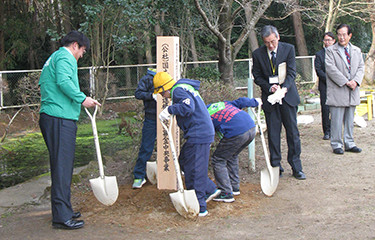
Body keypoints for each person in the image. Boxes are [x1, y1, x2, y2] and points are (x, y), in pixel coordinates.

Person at [39, 31, 101, 230]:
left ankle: (64, 209)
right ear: (75, 45)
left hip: (56, 116)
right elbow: (64, 82)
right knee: (62, 168)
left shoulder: (55, 57)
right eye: (82, 50)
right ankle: (61, 217)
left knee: (62, 166)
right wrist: (83, 99)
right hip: (58, 118)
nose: (82, 55)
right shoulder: (65, 57)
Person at [154, 72, 220, 217]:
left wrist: (170, 109)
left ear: (165, 88)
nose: (162, 96)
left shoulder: (177, 91)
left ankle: (200, 206)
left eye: (160, 93)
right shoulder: (183, 87)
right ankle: (210, 188)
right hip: (199, 132)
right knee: (184, 161)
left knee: (194, 170)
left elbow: (187, 108)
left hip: (199, 133)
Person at [252, 25, 305, 180]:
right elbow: (257, 76)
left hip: (287, 97)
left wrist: (284, 88)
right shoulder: (258, 54)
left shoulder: (288, 49)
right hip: (270, 99)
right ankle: (276, 166)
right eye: (267, 42)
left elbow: (292, 72)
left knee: (293, 133)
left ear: (278, 37)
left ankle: (296, 167)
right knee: (273, 134)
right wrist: (270, 87)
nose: (270, 45)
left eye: (273, 41)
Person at [207, 97, 260, 202]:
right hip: (251, 128)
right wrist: (256, 102)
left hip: (237, 133)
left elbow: (207, 134)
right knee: (232, 155)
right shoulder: (223, 104)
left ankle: (225, 192)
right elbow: (242, 101)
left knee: (218, 159)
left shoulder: (204, 116)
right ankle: (234, 187)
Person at [325, 24, 364, 155]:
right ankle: (336, 144)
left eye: (344, 35)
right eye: (339, 35)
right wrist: (346, 82)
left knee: (349, 119)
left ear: (349, 35)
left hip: (353, 90)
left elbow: (361, 67)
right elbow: (330, 69)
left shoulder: (357, 50)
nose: (341, 38)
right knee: (336, 119)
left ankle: (350, 142)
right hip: (338, 89)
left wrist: (356, 81)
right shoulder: (330, 50)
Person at [132, 68, 157, 188]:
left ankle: (176, 171)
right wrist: (151, 95)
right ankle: (139, 176)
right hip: (151, 118)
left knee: (173, 145)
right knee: (146, 147)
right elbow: (138, 93)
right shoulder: (148, 78)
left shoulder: (171, 72)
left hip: (169, 116)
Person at [314, 32, 336, 140]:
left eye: (329, 40)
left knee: (336, 109)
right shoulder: (319, 54)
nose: (327, 42)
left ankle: (335, 130)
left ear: (333, 41)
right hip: (325, 85)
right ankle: (326, 131)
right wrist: (329, 80)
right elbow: (318, 70)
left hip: (337, 86)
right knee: (326, 109)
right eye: (325, 40)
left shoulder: (338, 53)